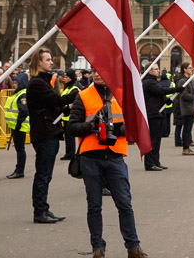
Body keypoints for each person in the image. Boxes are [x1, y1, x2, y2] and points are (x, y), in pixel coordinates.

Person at [66, 69, 150, 258]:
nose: (97, 74)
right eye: (94, 71)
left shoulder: (121, 95)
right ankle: (98, 248)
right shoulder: (83, 96)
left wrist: (118, 129)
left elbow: (134, 126)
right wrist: (92, 126)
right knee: (94, 205)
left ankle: (133, 247)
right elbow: (72, 128)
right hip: (90, 158)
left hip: (115, 157)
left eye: (102, 70)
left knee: (125, 204)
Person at [26, 48, 76, 224]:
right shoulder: (37, 83)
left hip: (49, 131)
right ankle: (39, 211)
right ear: (38, 62)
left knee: (46, 174)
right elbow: (55, 101)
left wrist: (65, 110)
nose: (51, 62)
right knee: (43, 174)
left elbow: (52, 107)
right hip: (44, 133)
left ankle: (44, 208)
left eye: (50, 59)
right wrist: (77, 95)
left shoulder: (44, 81)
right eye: (47, 59)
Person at [140, 64, 174, 170]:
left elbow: (157, 95)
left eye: (158, 69)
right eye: (156, 69)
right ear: (149, 71)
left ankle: (156, 161)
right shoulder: (148, 82)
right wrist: (176, 89)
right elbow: (161, 91)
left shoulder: (154, 81)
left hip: (157, 113)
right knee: (153, 140)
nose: (158, 71)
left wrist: (165, 100)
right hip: (152, 114)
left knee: (157, 140)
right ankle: (150, 163)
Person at [4, 73, 30, 179]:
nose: (14, 85)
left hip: (19, 126)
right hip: (16, 125)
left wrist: (18, 124)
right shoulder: (17, 93)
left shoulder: (22, 94)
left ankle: (20, 170)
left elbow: (23, 111)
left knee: (20, 149)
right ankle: (18, 169)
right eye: (14, 83)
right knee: (19, 148)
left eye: (16, 83)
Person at [176, 63, 194, 155]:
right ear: (184, 69)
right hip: (186, 108)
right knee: (186, 129)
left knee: (189, 129)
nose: (191, 69)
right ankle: (185, 148)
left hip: (192, 108)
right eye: (189, 68)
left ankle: (188, 147)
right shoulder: (182, 81)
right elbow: (184, 95)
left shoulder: (191, 81)